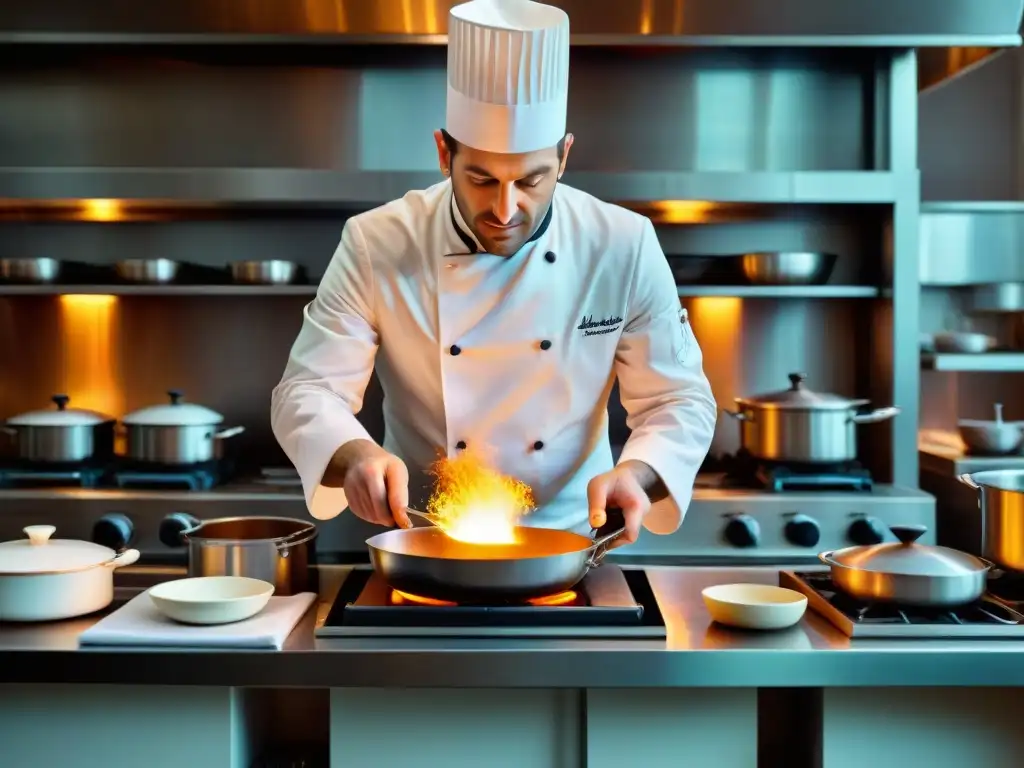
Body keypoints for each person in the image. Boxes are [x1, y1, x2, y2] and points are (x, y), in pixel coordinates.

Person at [271, 0, 717, 547]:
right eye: (481, 179)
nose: (505, 210)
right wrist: (355, 454)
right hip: (424, 538)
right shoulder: (378, 242)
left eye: (531, 181)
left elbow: (679, 399)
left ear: (564, 157)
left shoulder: (621, 244)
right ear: (443, 152)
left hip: (576, 542)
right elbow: (307, 390)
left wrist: (640, 475)